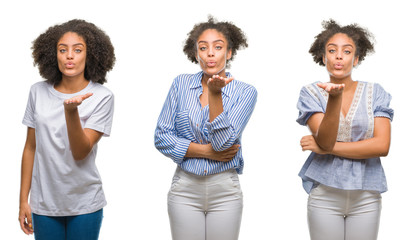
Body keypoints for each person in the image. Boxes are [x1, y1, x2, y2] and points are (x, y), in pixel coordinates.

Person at [154, 16, 257, 240]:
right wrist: (206, 152)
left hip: (225, 190)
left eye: (218, 47)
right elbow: (161, 137)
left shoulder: (246, 92)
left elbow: (224, 144)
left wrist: (215, 95)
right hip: (185, 187)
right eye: (203, 47)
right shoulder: (180, 84)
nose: (210, 53)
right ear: (196, 53)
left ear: (228, 53)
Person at [18, 19, 115, 240]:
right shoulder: (37, 92)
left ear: (89, 55)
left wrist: (71, 113)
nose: (69, 56)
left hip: (84, 203)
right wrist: (24, 200)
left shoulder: (102, 96)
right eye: (63, 50)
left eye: (77, 50)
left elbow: (81, 151)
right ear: (54, 55)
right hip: (44, 204)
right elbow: (30, 148)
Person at [297, 19, 393, 240]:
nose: (339, 56)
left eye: (347, 51)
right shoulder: (311, 93)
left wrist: (326, 149)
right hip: (325, 194)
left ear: (356, 58)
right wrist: (334, 99)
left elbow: (382, 145)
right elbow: (326, 139)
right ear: (324, 57)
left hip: (366, 194)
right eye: (332, 50)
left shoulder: (375, 92)